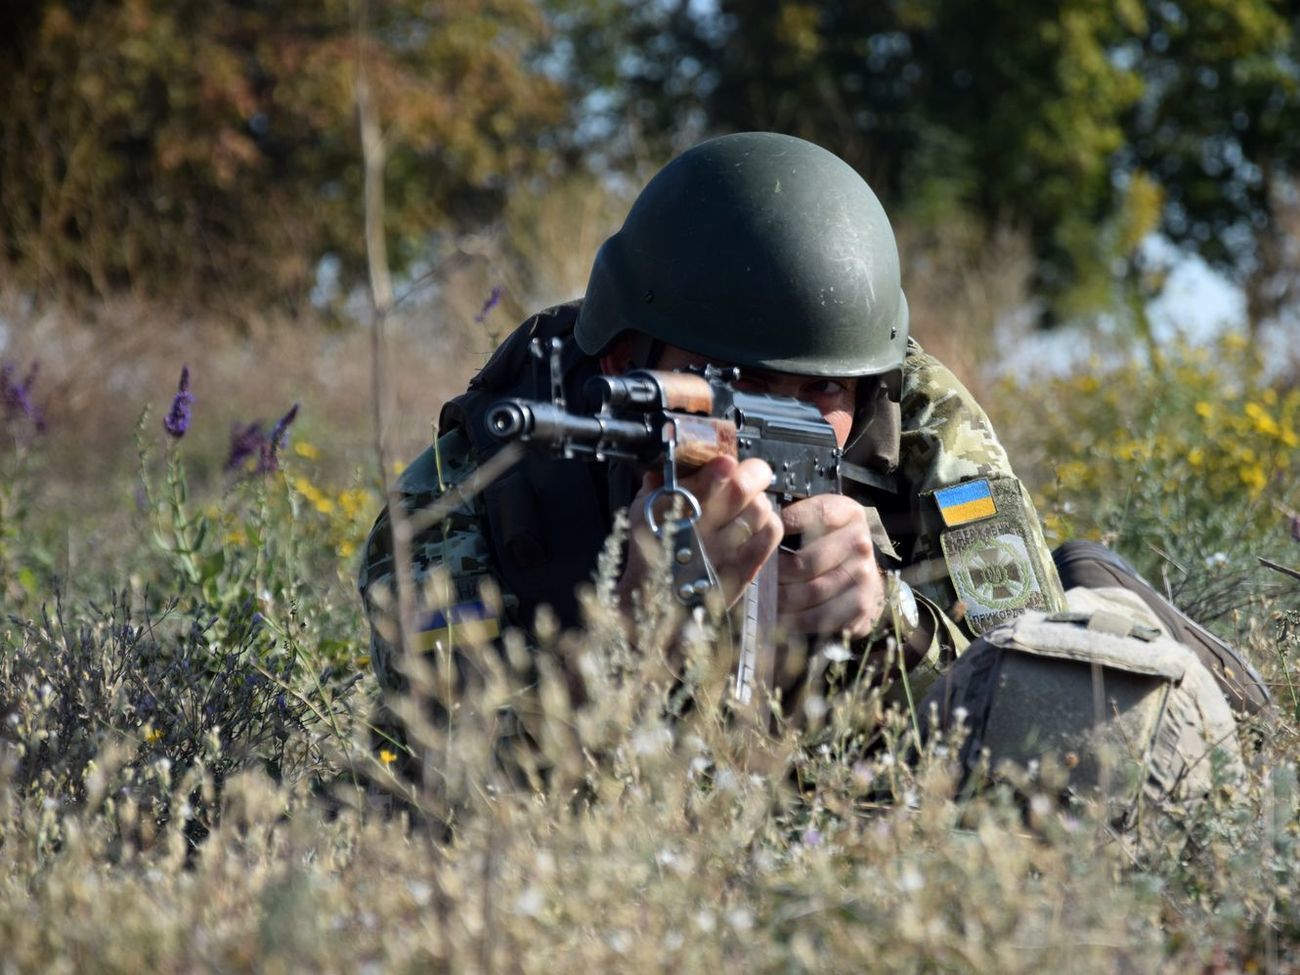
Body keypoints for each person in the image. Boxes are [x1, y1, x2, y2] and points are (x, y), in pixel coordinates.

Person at [359, 132, 1267, 813]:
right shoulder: (469, 494)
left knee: (1091, 697)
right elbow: (436, 784)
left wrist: (890, 624)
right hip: (642, 822)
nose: (769, 415)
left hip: (877, 777)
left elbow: (1020, 656)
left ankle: (1133, 617)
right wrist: (627, 634)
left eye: (822, 387)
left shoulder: (922, 422)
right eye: (736, 378)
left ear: (868, 382)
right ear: (628, 355)